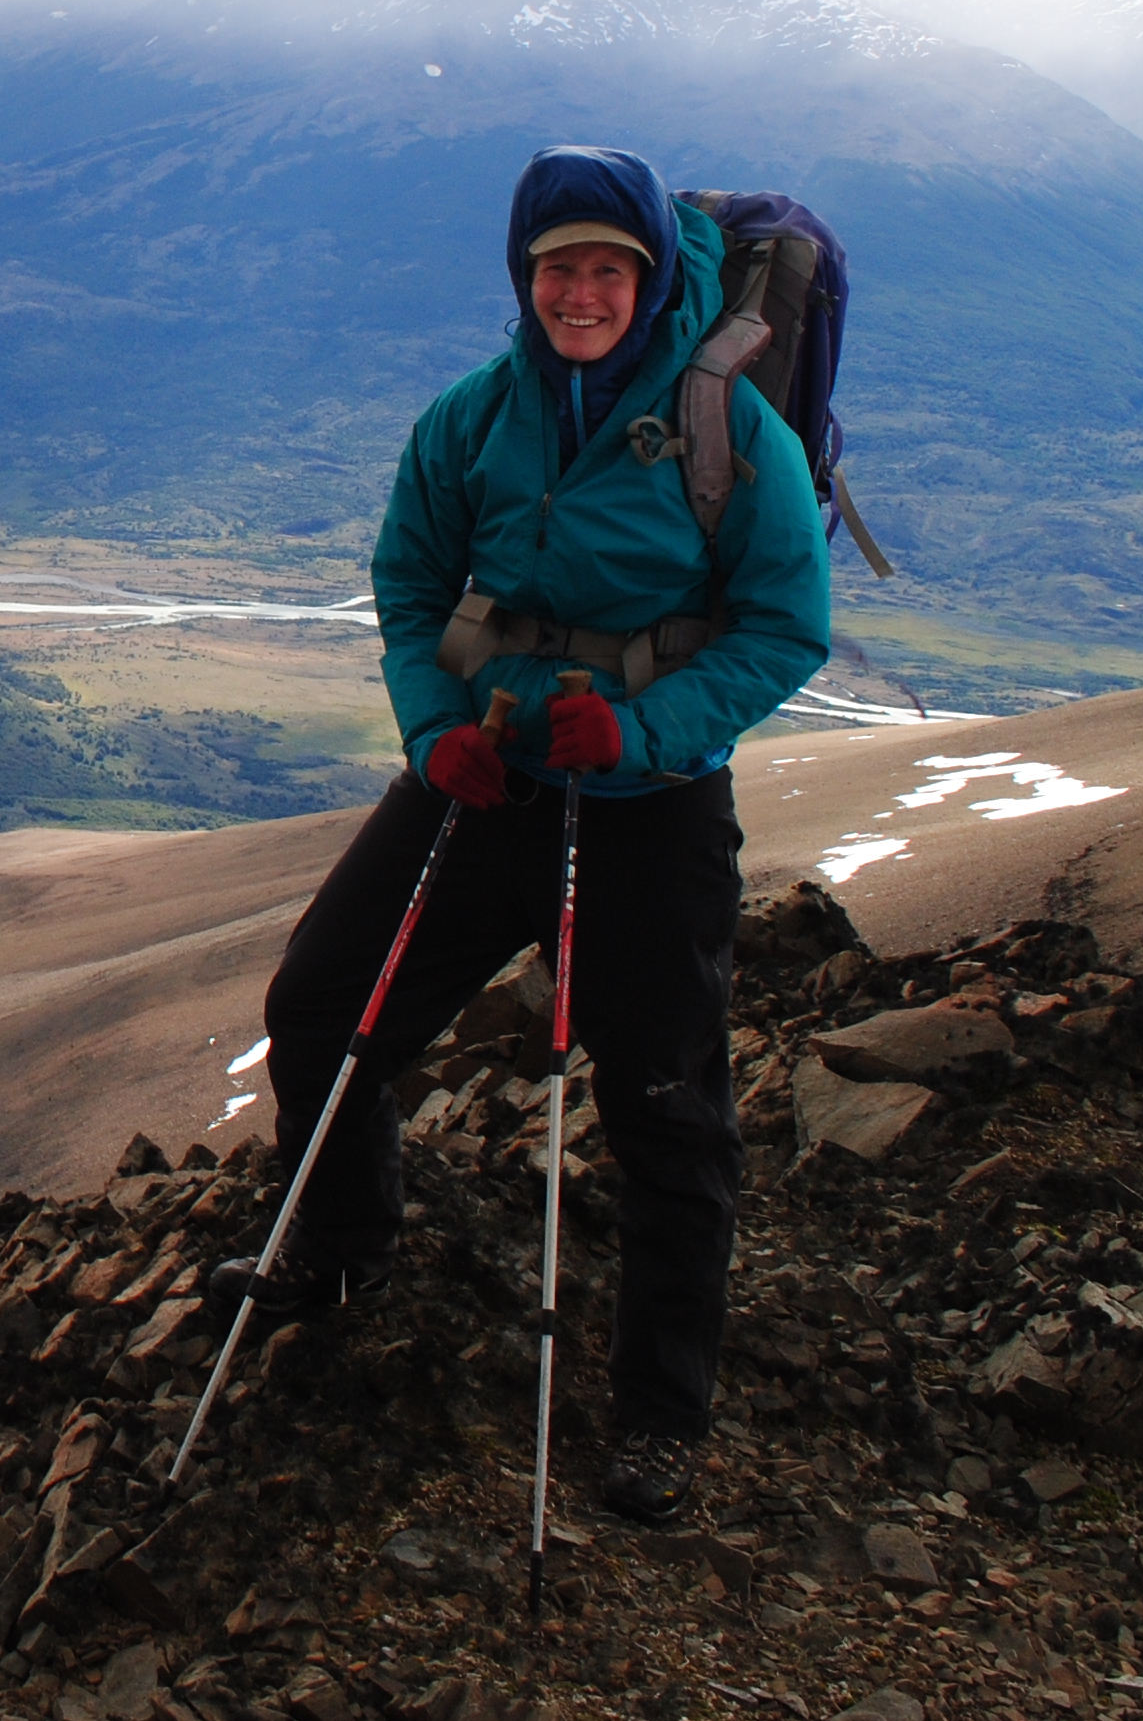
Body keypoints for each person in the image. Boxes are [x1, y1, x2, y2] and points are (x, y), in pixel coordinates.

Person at [229, 142, 831, 1526]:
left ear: (652, 275)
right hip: (488, 778)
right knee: (321, 1006)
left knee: (666, 1108)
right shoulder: (472, 418)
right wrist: (432, 722)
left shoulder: (739, 434)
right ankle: (345, 1243)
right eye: (557, 267)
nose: (580, 291)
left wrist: (644, 731)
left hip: (652, 808)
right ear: (523, 277)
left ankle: (661, 1416)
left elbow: (785, 627)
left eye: (606, 268)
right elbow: (408, 580)